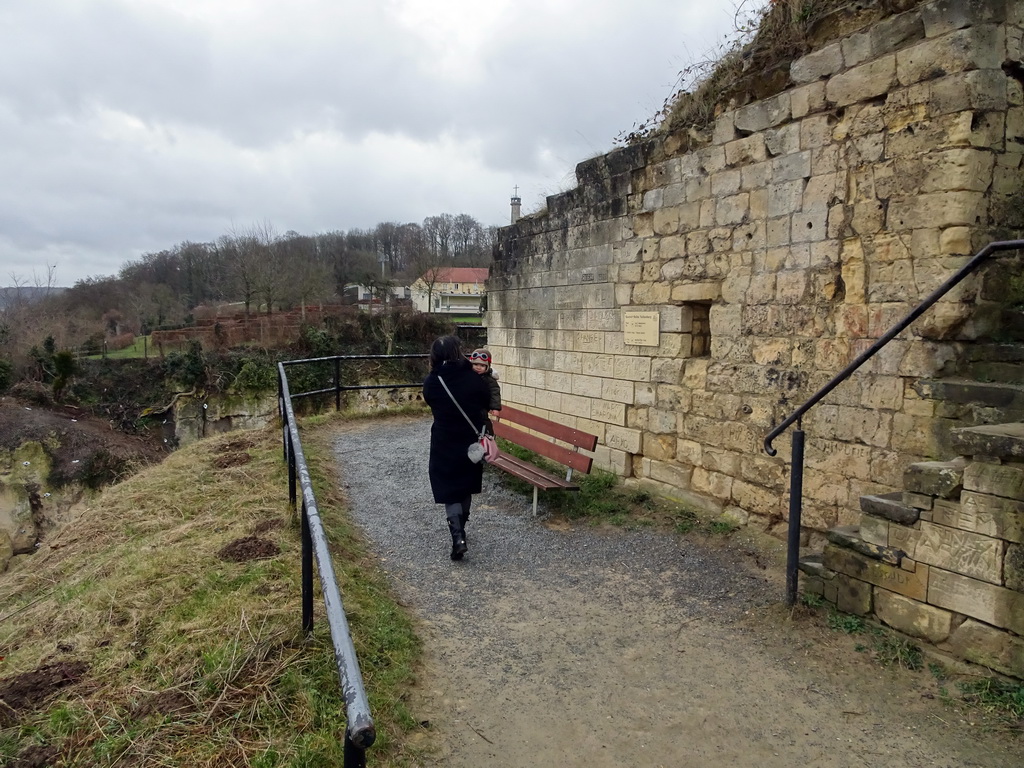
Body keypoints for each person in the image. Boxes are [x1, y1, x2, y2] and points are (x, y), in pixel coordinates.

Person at [422, 335, 491, 561]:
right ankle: (462, 529)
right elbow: (486, 400)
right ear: (458, 352)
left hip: (444, 438)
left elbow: (430, 400)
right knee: (466, 484)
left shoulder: (433, 381)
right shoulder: (473, 378)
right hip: (471, 440)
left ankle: (457, 537)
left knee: (449, 486)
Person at [469, 348, 502, 427]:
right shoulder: (469, 376)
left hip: (482, 408)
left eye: (482, 365)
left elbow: (495, 393)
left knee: (483, 424)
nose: (478, 367)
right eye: (476, 364)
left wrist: (495, 408)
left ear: (487, 367)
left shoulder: (489, 379)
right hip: (469, 407)